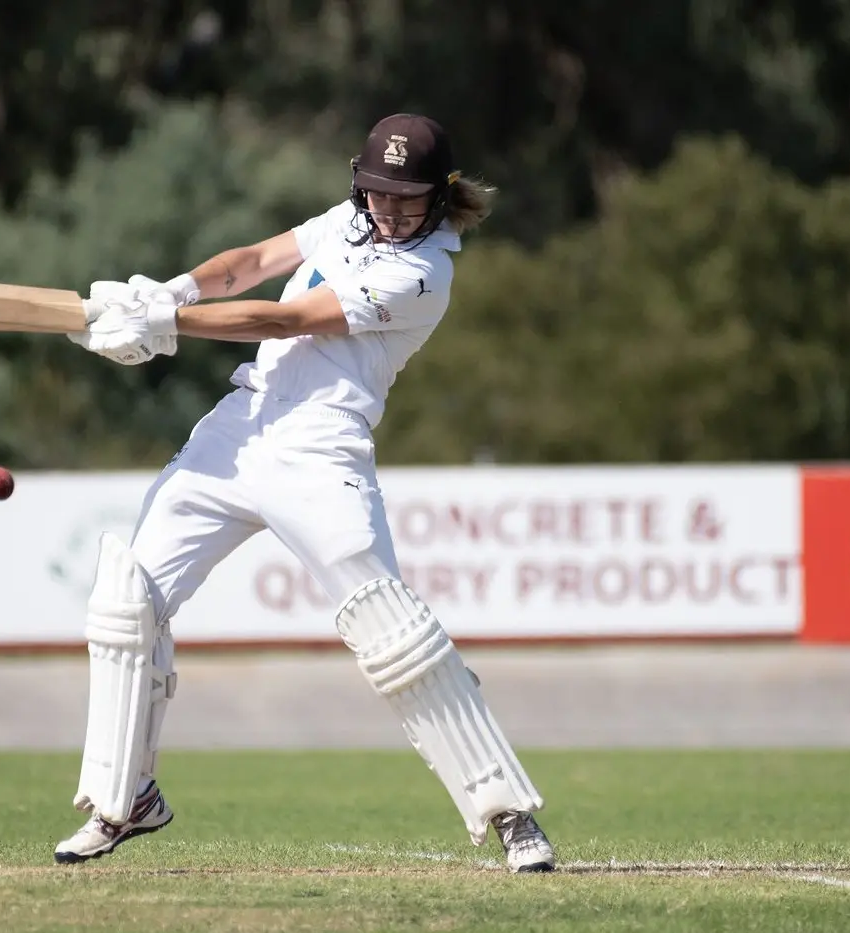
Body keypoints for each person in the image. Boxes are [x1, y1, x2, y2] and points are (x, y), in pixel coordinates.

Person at [54, 113, 557, 873]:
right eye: (377, 193)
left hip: (323, 445)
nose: (388, 211)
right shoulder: (346, 222)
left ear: (439, 197)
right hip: (242, 420)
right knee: (128, 599)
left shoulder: (426, 272)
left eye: (406, 199)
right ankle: (123, 800)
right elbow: (253, 260)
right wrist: (172, 289)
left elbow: (290, 315)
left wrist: (171, 323)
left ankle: (508, 811)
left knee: (391, 627)